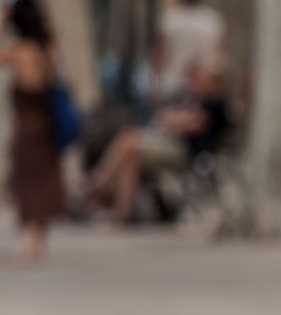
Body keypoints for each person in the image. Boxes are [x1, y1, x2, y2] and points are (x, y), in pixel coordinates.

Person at [83, 63, 231, 224]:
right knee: (131, 157)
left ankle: (97, 184)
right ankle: (120, 213)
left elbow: (192, 124)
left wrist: (175, 120)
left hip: (186, 152)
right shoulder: (199, 100)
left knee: (129, 142)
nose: (202, 82)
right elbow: (170, 118)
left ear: (217, 82)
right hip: (174, 144)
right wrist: (175, 119)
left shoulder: (216, 104)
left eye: (207, 79)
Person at [0, 0, 64, 264]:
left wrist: (2, 25)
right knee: (44, 183)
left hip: (27, 129)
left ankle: (30, 243)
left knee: (27, 184)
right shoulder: (49, 47)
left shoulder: (19, 50)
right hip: (48, 128)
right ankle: (38, 239)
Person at [152, 0, 224, 105]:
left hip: (173, 81)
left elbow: (161, 52)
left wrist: (156, 82)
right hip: (204, 85)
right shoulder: (212, 20)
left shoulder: (170, 19)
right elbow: (219, 52)